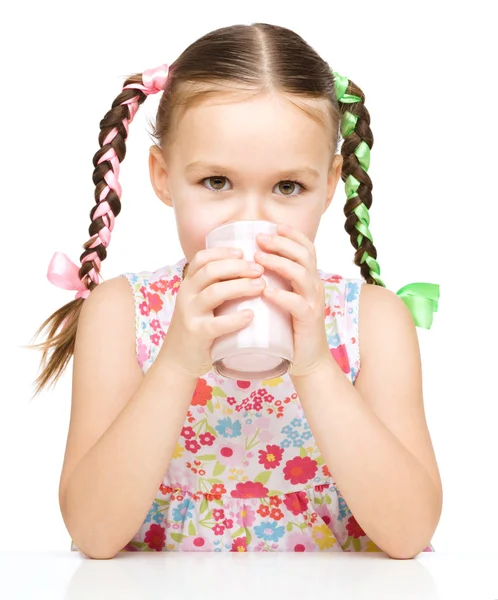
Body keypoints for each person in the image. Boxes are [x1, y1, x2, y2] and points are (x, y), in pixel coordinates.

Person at [27, 23, 442, 558]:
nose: (254, 217)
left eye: (288, 187)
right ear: (163, 176)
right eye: (217, 182)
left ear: (330, 183)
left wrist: (315, 364)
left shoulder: (372, 320)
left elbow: (410, 535)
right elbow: (93, 533)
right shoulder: (123, 313)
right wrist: (176, 361)